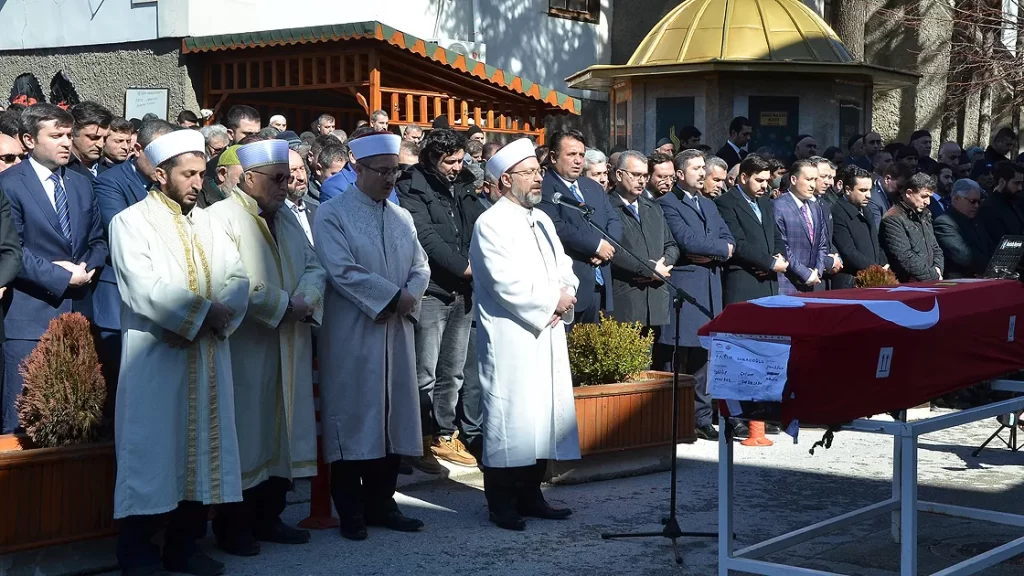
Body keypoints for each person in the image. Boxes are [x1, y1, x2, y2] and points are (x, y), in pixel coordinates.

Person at [109, 129, 250, 576]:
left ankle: (184, 547)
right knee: (153, 453)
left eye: (201, 174)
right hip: (156, 360)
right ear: (159, 173)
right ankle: (138, 552)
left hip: (206, 357)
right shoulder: (129, 222)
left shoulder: (209, 222)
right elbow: (143, 287)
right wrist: (200, 316)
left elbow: (239, 277)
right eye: (187, 174)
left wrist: (210, 318)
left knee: (202, 453)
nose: (196, 182)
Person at [205, 139, 325, 556]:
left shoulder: (286, 218)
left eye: (289, 178)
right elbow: (229, 279)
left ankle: (270, 516)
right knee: (247, 433)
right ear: (248, 178)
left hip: (289, 339)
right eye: (278, 179)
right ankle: (234, 526)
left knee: (284, 432)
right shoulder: (219, 218)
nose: (287, 186)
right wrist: (282, 305)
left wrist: (307, 299)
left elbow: (313, 264)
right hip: (247, 345)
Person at [315, 132, 430, 541]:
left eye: (394, 170)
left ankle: (383, 502)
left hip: (396, 330)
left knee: (392, 417)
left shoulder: (401, 216)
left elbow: (421, 264)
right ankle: (350, 510)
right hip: (354, 332)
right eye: (382, 171)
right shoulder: (332, 213)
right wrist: (391, 297)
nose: (390, 179)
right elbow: (341, 270)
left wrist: (410, 296)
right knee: (355, 417)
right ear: (357, 168)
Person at [471, 138, 580, 531]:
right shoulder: (490, 223)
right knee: (510, 418)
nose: (538, 179)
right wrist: (553, 301)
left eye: (538, 171)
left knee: (542, 416)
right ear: (505, 179)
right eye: (530, 172)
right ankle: (501, 503)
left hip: (546, 331)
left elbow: (564, 266)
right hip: (512, 336)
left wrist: (566, 295)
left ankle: (532, 496)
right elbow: (504, 282)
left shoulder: (544, 219)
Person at [0, 103, 107, 433]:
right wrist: (62, 276)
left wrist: (88, 266)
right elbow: (12, 249)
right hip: (29, 318)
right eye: (56, 135)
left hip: (78, 315)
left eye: (68, 135)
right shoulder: (10, 184)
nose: (65, 142)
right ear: (29, 140)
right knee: (21, 420)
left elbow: (98, 239)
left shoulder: (80, 183)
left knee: (74, 419)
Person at [396, 128, 486, 472]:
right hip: (432, 289)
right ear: (433, 158)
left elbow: (476, 223)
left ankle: (445, 434)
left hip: (464, 289)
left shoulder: (463, 182)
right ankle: (417, 438)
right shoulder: (412, 185)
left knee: (454, 370)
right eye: (451, 161)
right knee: (425, 372)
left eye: (461, 159)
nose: (457, 166)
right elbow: (427, 238)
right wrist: (465, 268)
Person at [93, 119, 177, 402]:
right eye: (159, 156)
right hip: (119, 298)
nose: (166, 163)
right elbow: (119, 230)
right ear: (138, 149)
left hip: (164, 298)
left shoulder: (169, 185)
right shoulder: (110, 183)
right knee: (123, 393)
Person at [656, 149, 737, 440]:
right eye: (696, 168)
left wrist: (718, 250)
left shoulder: (708, 204)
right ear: (679, 174)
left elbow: (728, 239)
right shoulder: (666, 203)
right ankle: (674, 416)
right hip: (685, 287)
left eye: (704, 167)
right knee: (677, 354)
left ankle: (701, 417)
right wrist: (717, 250)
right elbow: (687, 241)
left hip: (710, 284)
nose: (702, 173)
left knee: (704, 355)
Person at [538, 130, 621, 326]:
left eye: (581, 155)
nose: (578, 160)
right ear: (553, 157)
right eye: (571, 154)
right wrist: (594, 246)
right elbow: (556, 226)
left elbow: (614, 221)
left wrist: (604, 248)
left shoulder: (591, 186)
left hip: (600, 283)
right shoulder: (544, 188)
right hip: (570, 287)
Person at [607, 150, 678, 328]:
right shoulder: (606, 206)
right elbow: (613, 250)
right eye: (636, 175)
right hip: (626, 299)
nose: (641, 181)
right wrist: (648, 269)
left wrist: (661, 267)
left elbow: (671, 245)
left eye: (645, 176)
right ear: (619, 174)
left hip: (655, 302)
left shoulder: (653, 207)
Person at [716, 155, 788, 306]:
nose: (764, 186)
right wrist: (769, 262)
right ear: (743, 177)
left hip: (769, 282)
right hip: (744, 281)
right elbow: (737, 242)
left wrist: (778, 257)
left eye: (767, 181)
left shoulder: (765, 201)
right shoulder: (725, 203)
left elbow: (776, 235)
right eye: (759, 180)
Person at [773, 161, 828, 295]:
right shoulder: (778, 206)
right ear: (793, 179)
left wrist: (817, 271)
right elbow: (782, 246)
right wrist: (804, 274)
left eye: (815, 180)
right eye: (808, 179)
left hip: (812, 284)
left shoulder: (815, 207)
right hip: (787, 283)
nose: (812, 185)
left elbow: (822, 243)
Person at [880, 172, 944, 282]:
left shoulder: (925, 215)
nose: (927, 202)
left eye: (929, 197)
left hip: (930, 281)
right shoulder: (892, 218)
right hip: (907, 284)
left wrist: (938, 269)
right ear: (909, 193)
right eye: (924, 196)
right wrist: (933, 276)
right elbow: (904, 256)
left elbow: (936, 248)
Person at [830, 166, 887, 289]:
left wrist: (883, 264)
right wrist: (876, 269)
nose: (869, 195)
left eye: (870, 190)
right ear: (848, 190)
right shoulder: (837, 213)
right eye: (863, 190)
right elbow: (848, 251)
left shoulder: (866, 211)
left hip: (872, 278)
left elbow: (876, 243)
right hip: (850, 283)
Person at [933, 179, 990, 279]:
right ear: (956, 199)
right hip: (959, 282)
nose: (976, 206)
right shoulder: (944, 222)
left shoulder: (977, 220)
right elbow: (963, 256)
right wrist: (990, 264)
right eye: (972, 201)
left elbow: (989, 246)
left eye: (979, 202)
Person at [978, 161, 1024, 246]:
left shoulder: (1015, 202)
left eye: (1021, 183)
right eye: (1016, 183)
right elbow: (1001, 245)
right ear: (1002, 182)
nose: (1020, 188)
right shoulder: (989, 209)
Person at [67, 101, 113, 180]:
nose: (100, 145)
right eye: (93, 137)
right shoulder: (60, 169)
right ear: (72, 134)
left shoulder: (113, 171)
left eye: (105, 138)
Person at [284, 149, 317, 247]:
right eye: (293, 171)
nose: (301, 177)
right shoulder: (276, 217)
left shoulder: (316, 210)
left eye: (302, 169)